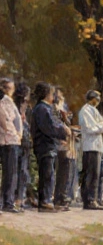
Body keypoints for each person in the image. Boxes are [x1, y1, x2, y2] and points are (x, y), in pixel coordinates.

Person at [31, 82, 67, 212]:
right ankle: (45, 201)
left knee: (48, 173)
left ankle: (45, 200)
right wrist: (63, 130)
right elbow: (49, 127)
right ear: (46, 94)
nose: (54, 96)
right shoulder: (42, 109)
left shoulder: (45, 108)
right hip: (44, 146)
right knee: (47, 174)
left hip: (48, 145)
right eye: (52, 93)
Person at [77, 90, 103, 210]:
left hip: (97, 146)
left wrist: (102, 127)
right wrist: (101, 127)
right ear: (92, 98)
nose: (99, 100)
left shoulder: (95, 111)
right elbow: (90, 128)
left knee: (96, 174)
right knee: (91, 174)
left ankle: (93, 199)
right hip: (90, 146)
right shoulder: (85, 111)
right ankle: (89, 200)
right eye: (97, 98)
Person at [53, 89, 77, 208]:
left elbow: (67, 122)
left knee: (67, 170)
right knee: (62, 170)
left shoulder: (63, 108)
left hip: (67, 142)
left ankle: (64, 196)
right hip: (60, 143)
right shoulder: (54, 109)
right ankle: (60, 197)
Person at [0, 79, 20, 213]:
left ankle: (8, 201)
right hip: (8, 140)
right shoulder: (4, 102)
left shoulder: (10, 102)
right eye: (11, 88)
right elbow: (5, 122)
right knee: (9, 172)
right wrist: (15, 133)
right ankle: (7, 202)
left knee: (11, 172)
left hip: (12, 139)